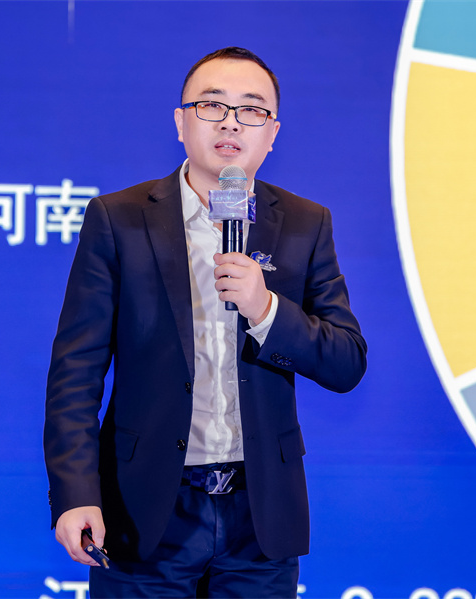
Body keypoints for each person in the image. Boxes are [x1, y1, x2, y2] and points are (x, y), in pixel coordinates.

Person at [44, 46, 367, 598]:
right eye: (212, 106)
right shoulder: (119, 219)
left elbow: (346, 363)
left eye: (252, 110)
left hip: (259, 518)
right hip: (144, 509)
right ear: (180, 123)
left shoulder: (305, 223)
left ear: (272, 133)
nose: (231, 123)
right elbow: (76, 372)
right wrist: (75, 494)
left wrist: (266, 310)